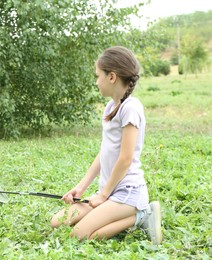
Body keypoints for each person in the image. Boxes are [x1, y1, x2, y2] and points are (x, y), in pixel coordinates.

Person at [50, 46, 162, 245]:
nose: (96, 82)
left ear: (111, 77)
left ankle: (142, 214)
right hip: (110, 193)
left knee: (79, 235)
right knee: (57, 222)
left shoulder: (131, 108)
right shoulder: (111, 107)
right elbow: (105, 152)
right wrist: (80, 188)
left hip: (127, 193)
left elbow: (126, 159)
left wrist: (103, 195)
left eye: (97, 76)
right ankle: (109, 213)